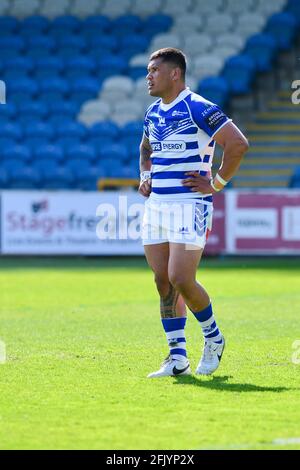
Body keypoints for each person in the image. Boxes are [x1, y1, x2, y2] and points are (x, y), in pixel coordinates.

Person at [139, 48, 249, 378]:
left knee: (181, 278)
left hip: (190, 206)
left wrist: (215, 183)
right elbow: (145, 148)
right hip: (156, 205)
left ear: (175, 74)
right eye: (148, 70)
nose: (149, 76)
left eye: (154, 70)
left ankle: (214, 339)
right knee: (163, 282)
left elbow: (238, 144)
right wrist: (146, 175)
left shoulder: (198, 107)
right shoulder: (152, 113)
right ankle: (177, 358)